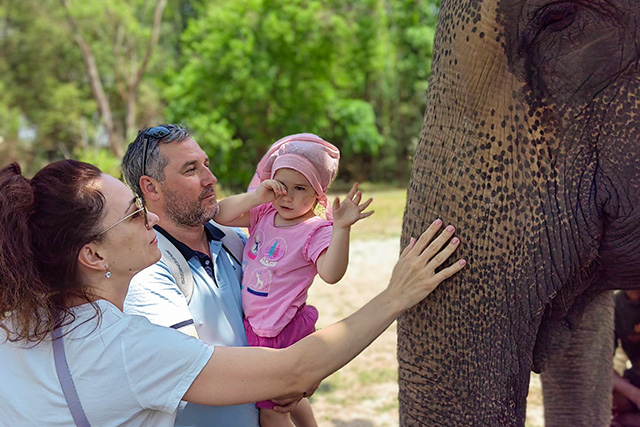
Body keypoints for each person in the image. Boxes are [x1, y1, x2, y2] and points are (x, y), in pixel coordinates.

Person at [0, 159, 466, 426]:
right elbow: (294, 371)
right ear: (93, 257)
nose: (154, 221)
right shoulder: (122, 346)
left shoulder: (16, 321)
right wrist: (396, 294)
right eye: (136, 215)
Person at [214, 133, 371, 427]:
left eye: (300, 188)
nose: (287, 196)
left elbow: (331, 273)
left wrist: (341, 230)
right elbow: (220, 214)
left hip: (279, 329)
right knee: (289, 398)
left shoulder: (315, 230)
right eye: (281, 186)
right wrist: (257, 196)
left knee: (273, 410)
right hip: (258, 325)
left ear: (318, 193)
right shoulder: (262, 212)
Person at [120, 124, 258, 426]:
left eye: (206, 164)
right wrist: (289, 372)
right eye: (191, 169)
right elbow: (192, 375)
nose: (211, 179)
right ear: (151, 187)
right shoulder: (145, 270)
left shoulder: (237, 240)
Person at [612, 289, 640, 427]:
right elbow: (602, 366)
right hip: (635, 382)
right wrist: (635, 395)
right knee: (604, 399)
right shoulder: (615, 304)